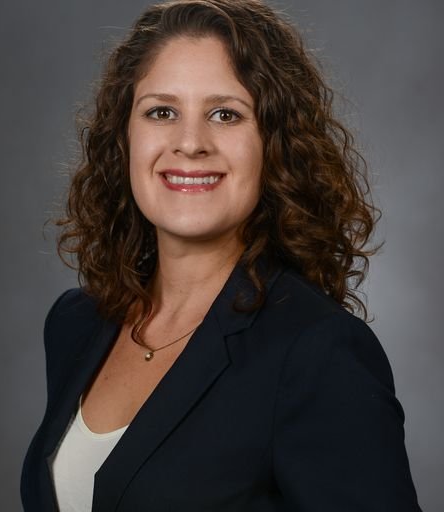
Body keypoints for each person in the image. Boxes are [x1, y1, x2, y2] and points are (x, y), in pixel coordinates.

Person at [21, 1, 422, 510]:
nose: (190, 143)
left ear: (273, 145)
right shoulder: (75, 324)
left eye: (225, 114)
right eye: (161, 112)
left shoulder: (317, 353)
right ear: (125, 137)